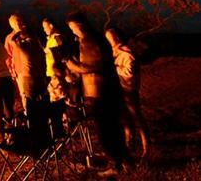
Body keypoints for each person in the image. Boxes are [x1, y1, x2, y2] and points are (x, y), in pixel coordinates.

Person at [64, 12, 127, 172]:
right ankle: (123, 161)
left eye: (72, 28)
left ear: (79, 25)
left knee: (106, 130)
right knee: (110, 128)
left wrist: (73, 65)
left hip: (100, 92)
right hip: (103, 90)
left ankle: (116, 164)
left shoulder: (89, 41)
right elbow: (94, 63)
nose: (72, 31)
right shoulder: (94, 39)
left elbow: (96, 66)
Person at [105, 28, 150, 157]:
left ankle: (146, 147)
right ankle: (129, 145)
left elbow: (129, 72)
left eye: (112, 37)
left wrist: (115, 68)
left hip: (129, 89)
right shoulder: (114, 52)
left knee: (137, 117)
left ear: (118, 37)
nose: (110, 40)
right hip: (119, 88)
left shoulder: (127, 53)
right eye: (108, 38)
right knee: (125, 118)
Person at [4, 14, 47, 116]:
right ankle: (29, 115)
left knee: (40, 94)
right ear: (11, 25)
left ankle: (41, 116)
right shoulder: (10, 38)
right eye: (16, 22)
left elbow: (40, 51)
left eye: (20, 21)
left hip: (36, 71)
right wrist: (11, 70)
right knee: (25, 95)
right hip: (20, 71)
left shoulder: (31, 35)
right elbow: (8, 56)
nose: (19, 24)